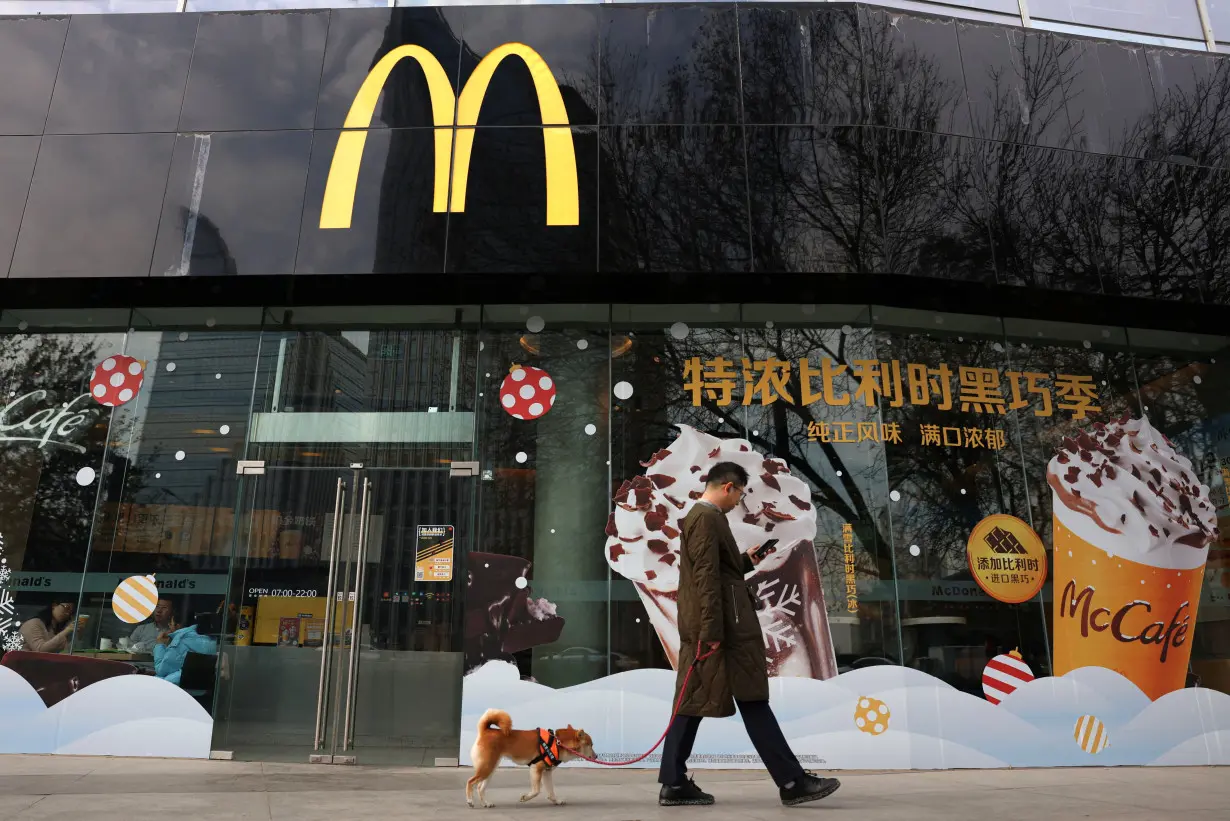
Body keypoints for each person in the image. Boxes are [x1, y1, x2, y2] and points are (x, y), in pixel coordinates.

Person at [658, 462, 841, 808]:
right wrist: (711, 632)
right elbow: (706, 579)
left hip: (720, 626)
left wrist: (746, 560)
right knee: (744, 700)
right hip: (723, 630)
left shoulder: (704, 519)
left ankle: (674, 781)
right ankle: (792, 781)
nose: (740, 501)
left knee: (697, 700)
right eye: (740, 493)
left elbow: (717, 572)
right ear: (728, 487)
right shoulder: (707, 518)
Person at [153, 615, 218, 686]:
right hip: (201, 690)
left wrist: (160, 645)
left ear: (177, 626)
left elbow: (161, 671)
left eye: (170, 623)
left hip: (179, 690)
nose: (169, 626)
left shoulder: (180, 641)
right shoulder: (209, 639)